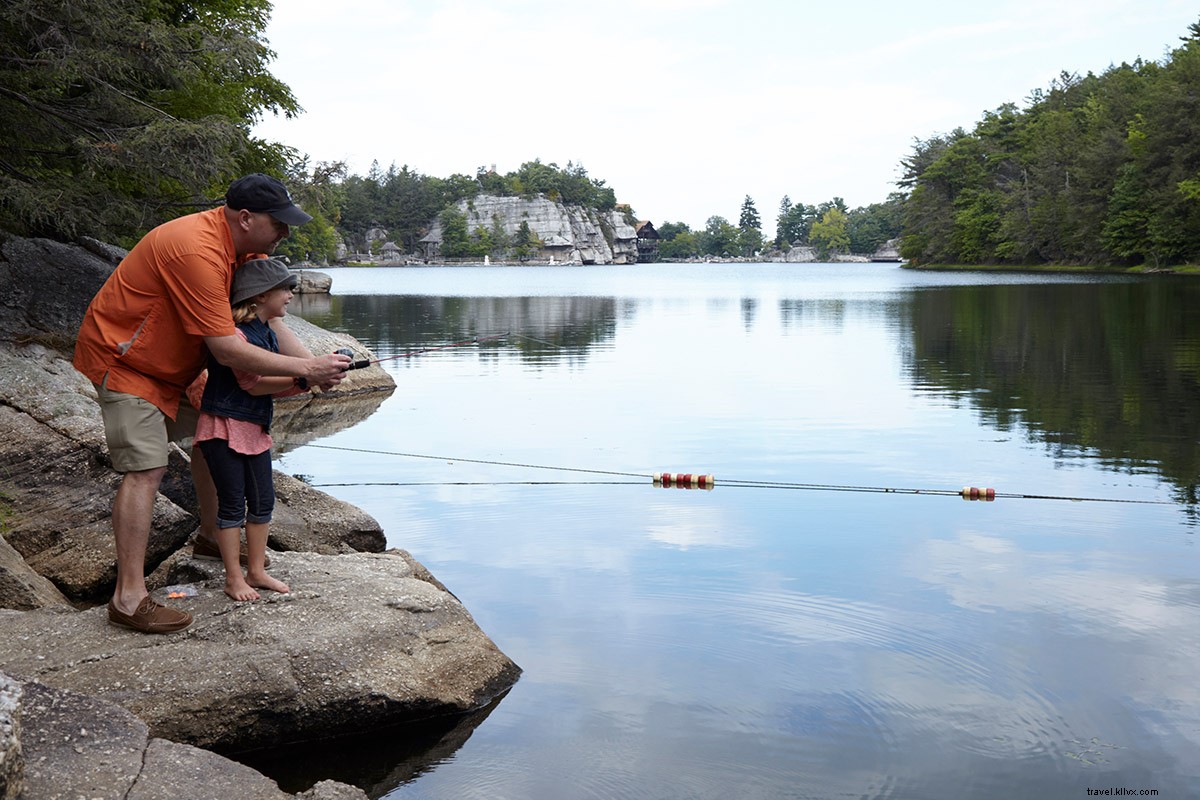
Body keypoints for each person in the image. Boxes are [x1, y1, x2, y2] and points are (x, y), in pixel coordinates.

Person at [73, 174, 352, 633]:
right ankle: (128, 598)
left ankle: (209, 537)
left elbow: (268, 315)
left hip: (180, 366)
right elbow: (226, 348)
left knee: (211, 435)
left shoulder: (248, 249)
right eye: (278, 223)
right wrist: (306, 372)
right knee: (145, 468)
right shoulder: (194, 249)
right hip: (127, 361)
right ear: (245, 218)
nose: (285, 232)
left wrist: (314, 367)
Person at [195, 258, 304, 601]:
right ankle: (233, 578)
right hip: (223, 428)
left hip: (254, 430)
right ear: (259, 296)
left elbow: (271, 385)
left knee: (262, 501)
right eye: (285, 289)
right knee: (231, 505)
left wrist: (304, 383)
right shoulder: (238, 334)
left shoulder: (266, 331)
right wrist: (304, 375)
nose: (290, 294)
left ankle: (255, 572)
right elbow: (253, 384)